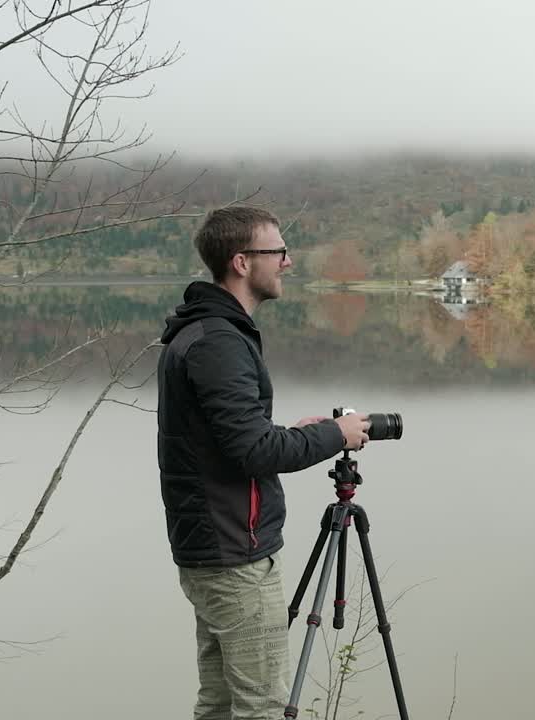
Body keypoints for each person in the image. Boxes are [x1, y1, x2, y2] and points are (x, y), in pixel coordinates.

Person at [156, 206, 371, 719]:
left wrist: (296, 434)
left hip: (211, 544)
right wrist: (334, 434)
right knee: (263, 708)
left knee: (220, 703)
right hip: (235, 552)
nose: (287, 262)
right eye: (278, 252)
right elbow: (253, 452)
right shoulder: (219, 342)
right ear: (242, 262)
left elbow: (231, 439)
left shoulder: (204, 332)